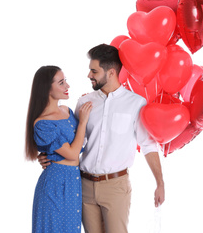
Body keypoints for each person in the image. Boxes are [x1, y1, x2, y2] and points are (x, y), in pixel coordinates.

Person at [39, 44, 165, 233]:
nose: (89, 75)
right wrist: (48, 155)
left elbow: (148, 145)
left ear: (111, 72)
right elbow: (71, 141)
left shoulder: (136, 103)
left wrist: (160, 183)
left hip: (116, 186)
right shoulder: (84, 102)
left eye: (94, 71)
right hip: (84, 185)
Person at [25, 65, 92, 232]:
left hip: (74, 180)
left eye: (65, 81)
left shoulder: (67, 111)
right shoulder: (43, 123)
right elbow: (71, 153)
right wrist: (83, 121)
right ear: (46, 88)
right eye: (61, 83)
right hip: (55, 184)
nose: (67, 86)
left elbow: (80, 140)